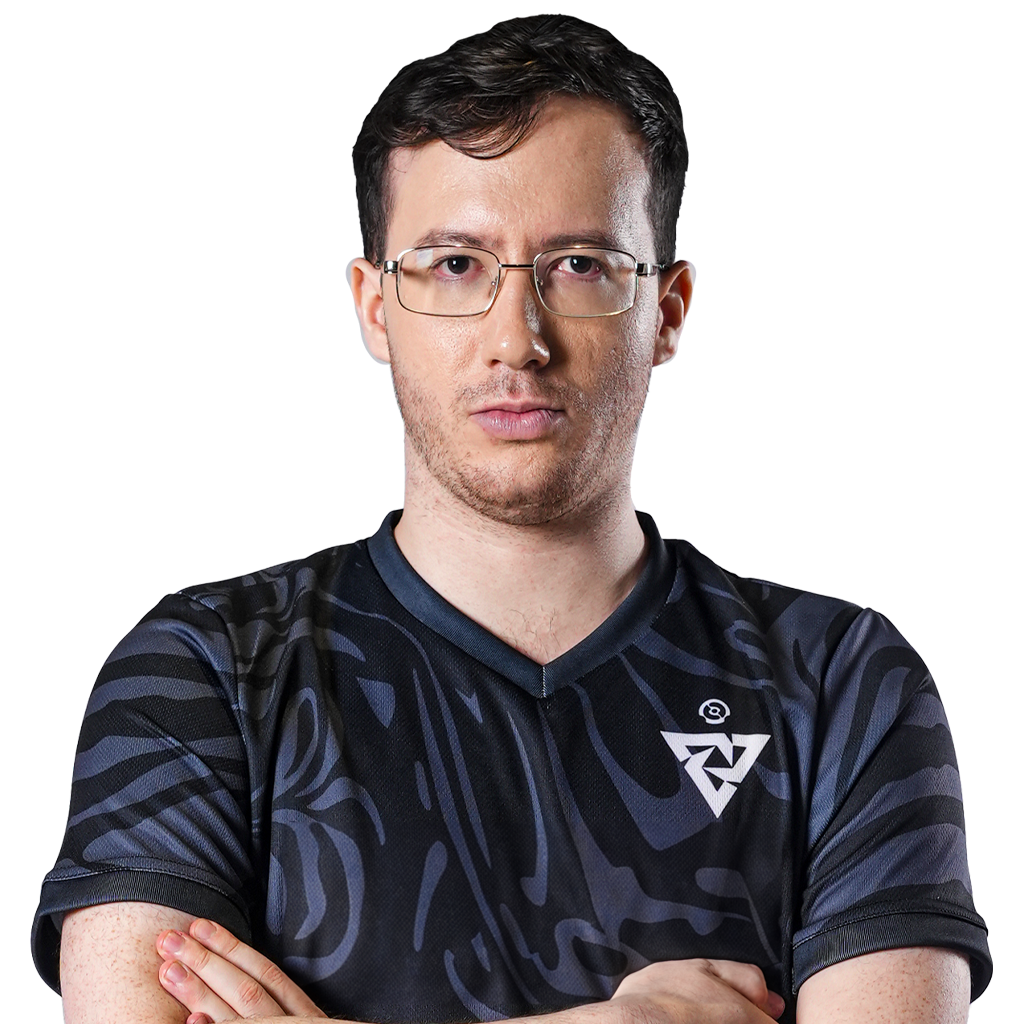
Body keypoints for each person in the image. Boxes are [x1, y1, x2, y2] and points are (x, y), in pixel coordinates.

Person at [33, 15, 991, 1024]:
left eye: (579, 264)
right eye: (455, 265)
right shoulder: (203, 670)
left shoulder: (839, 682)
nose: (517, 338)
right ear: (374, 307)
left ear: (665, 310)